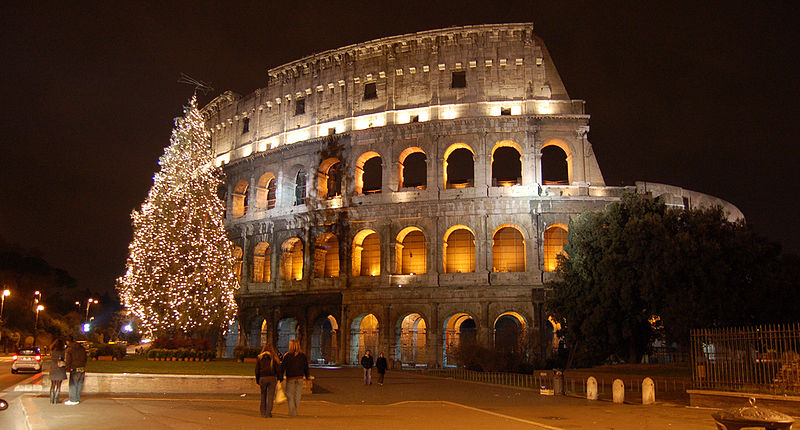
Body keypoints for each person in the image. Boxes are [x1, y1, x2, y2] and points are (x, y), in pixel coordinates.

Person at [280, 339, 309, 417]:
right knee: (297, 395)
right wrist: (307, 376)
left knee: (290, 394)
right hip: (300, 377)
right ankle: (294, 410)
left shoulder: (287, 355)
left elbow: (283, 367)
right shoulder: (302, 356)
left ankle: (292, 411)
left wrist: (280, 378)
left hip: (291, 377)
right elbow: (306, 367)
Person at [255, 343, 282, 418]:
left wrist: (257, 379)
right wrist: (280, 378)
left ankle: (263, 411)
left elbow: (257, 370)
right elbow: (278, 369)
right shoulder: (274, 357)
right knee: (270, 396)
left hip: (262, 378)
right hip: (272, 378)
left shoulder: (260, 357)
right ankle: (268, 412)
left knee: (263, 395)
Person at [64, 337, 87, 405]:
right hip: (82, 367)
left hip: (74, 368)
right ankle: (77, 398)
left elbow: (68, 360)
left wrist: (67, 368)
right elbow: (85, 358)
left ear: (68, 341)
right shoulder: (82, 348)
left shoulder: (69, 350)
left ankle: (73, 400)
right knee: (79, 384)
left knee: (73, 384)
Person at [48, 338, 67, 404]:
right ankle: (56, 399)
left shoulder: (52, 350)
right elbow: (64, 359)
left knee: (53, 384)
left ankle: (51, 399)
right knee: (59, 384)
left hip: (53, 367)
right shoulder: (63, 351)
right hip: (60, 368)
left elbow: (51, 357)